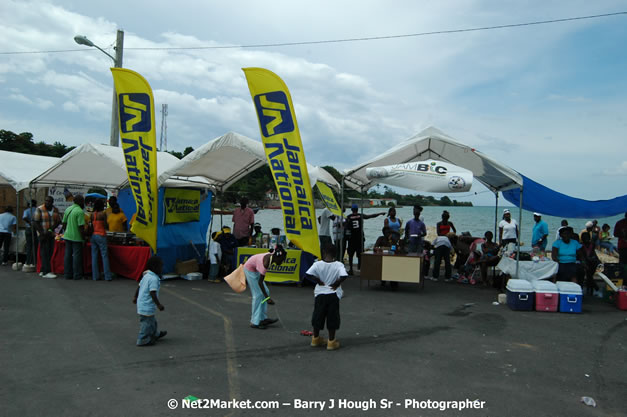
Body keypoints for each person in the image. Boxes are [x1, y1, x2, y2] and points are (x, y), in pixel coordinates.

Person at [305, 243, 348, 351]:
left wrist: (318, 281)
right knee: (332, 317)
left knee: (318, 315)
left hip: (320, 293)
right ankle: (331, 341)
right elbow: (344, 275)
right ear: (335, 254)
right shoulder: (338, 265)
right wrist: (337, 283)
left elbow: (308, 274)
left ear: (323, 253)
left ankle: (315, 338)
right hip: (333, 294)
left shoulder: (317, 264)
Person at [244, 245, 287, 329]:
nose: (282, 262)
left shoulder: (273, 255)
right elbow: (260, 282)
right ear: (276, 257)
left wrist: (267, 297)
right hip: (249, 269)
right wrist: (268, 299)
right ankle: (254, 322)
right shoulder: (266, 263)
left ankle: (262, 318)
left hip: (255, 268)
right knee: (258, 295)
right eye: (282, 260)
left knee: (266, 292)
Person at [133, 256, 167, 346]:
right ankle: (142, 339)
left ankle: (155, 334)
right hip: (146, 305)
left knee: (152, 321)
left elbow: (139, 286)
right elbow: (152, 293)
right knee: (147, 323)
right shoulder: (153, 279)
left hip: (142, 303)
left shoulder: (146, 275)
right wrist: (159, 305)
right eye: (161, 266)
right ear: (155, 267)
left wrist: (135, 297)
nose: (162, 268)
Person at [345, 204, 385, 275]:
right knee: (360, 254)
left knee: (350, 254)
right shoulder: (360, 216)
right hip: (359, 238)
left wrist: (346, 237)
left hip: (352, 238)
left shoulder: (348, 217)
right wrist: (379, 213)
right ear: (357, 209)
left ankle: (351, 269)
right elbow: (371, 216)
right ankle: (360, 268)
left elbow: (346, 228)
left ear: (351, 210)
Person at [33, 196, 61, 278]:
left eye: (49, 201)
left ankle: (43, 270)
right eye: (46, 201)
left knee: (49, 252)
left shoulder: (55, 210)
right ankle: (46, 271)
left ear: (52, 202)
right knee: (44, 252)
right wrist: (42, 233)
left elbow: (58, 221)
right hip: (42, 235)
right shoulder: (40, 209)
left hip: (50, 234)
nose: (47, 202)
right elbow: (35, 222)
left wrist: (51, 230)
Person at [62, 194, 86, 280]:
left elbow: (64, 223)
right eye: (83, 201)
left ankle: (67, 274)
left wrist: (66, 232)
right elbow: (81, 227)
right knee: (77, 257)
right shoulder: (79, 211)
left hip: (67, 236)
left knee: (67, 256)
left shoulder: (68, 209)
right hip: (76, 237)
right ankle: (77, 275)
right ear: (80, 202)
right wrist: (84, 238)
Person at [90, 199, 112, 281]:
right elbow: (106, 225)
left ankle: (95, 276)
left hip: (94, 235)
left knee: (94, 256)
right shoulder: (103, 214)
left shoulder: (92, 214)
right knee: (104, 256)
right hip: (101, 235)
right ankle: (107, 276)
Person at [22, 200, 37, 267]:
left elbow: (24, 217)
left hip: (28, 228)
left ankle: (28, 261)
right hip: (36, 229)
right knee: (35, 246)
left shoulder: (27, 210)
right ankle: (34, 262)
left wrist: (30, 223)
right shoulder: (37, 210)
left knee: (29, 246)